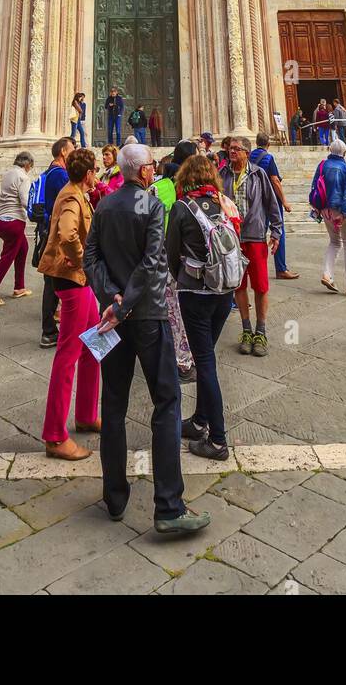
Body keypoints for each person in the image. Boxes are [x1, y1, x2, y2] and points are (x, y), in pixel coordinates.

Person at [84, 140, 211, 537]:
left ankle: (115, 497)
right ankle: (169, 507)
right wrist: (125, 305)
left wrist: (110, 298)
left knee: (115, 406)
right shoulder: (152, 205)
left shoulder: (104, 205)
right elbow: (153, 262)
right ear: (143, 172)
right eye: (151, 165)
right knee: (167, 403)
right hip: (149, 316)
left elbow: (91, 259)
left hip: (114, 319)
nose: (154, 169)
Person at [167, 152, 241, 460]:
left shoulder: (182, 208)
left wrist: (180, 277)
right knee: (205, 356)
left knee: (205, 364)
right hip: (225, 292)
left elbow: (172, 255)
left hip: (196, 293)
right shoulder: (224, 203)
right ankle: (199, 421)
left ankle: (218, 440)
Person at [38, 147, 101, 460]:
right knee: (68, 354)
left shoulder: (78, 191)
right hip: (72, 280)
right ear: (88, 173)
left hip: (80, 282)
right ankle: (54, 436)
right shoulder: (72, 197)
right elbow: (66, 233)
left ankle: (87, 413)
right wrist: (84, 261)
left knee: (94, 342)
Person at [221, 135, 282, 356]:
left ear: (247, 152)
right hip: (231, 239)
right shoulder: (223, 174)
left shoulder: (258, 174)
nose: (232, 151)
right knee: (238, 285)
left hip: (255, 236)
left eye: (237, 149)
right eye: (231, 148)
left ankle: (261, 330)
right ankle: (246, 329)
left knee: (261, 285)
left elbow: (271, 204)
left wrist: (276, 230)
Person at [153, 140, 198, 381]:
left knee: (172, 307)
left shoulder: (161, 186)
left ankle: (178, 356)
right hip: (189, 259)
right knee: (181, 308)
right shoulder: (199, 187)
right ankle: (184, 359)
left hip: (166, 256)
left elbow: (143, 218)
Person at [310, 137, 346, 296]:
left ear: (330, 150)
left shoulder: (322, 165)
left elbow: (315, 186)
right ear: (344, 152)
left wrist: (318, 208)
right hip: (342, 211)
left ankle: (327, 274)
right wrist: (342, 213)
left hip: (325, 210)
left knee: (334, 243)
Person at [0, 152, 35, 306]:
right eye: (30, 167)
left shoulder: (8, 174)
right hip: (14, 221)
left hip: (1, 221)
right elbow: (25, 201)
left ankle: (19, 287)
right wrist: (38, 213)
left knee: (23, 248)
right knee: (7, 258)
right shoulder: (23, 177)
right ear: (27, 165)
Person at [37, 137, 74, 348]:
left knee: (52, 283)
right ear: (62, 152)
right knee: (52, 284)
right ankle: (49, 331)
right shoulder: (60, 175)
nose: (74, 152)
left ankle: (52, 328)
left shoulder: (51, 172)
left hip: (51, 232)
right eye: (72, 149)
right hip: (57, 235)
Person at [249, 132, 298, 280]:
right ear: (268, 144)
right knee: (278, 231)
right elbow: (275, 180)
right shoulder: (268, 158)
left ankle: (253, 268)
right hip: (270, 200)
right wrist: (284, 201)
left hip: (254, 199)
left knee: (257, 235)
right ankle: (281, 268)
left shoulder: (249, 156)